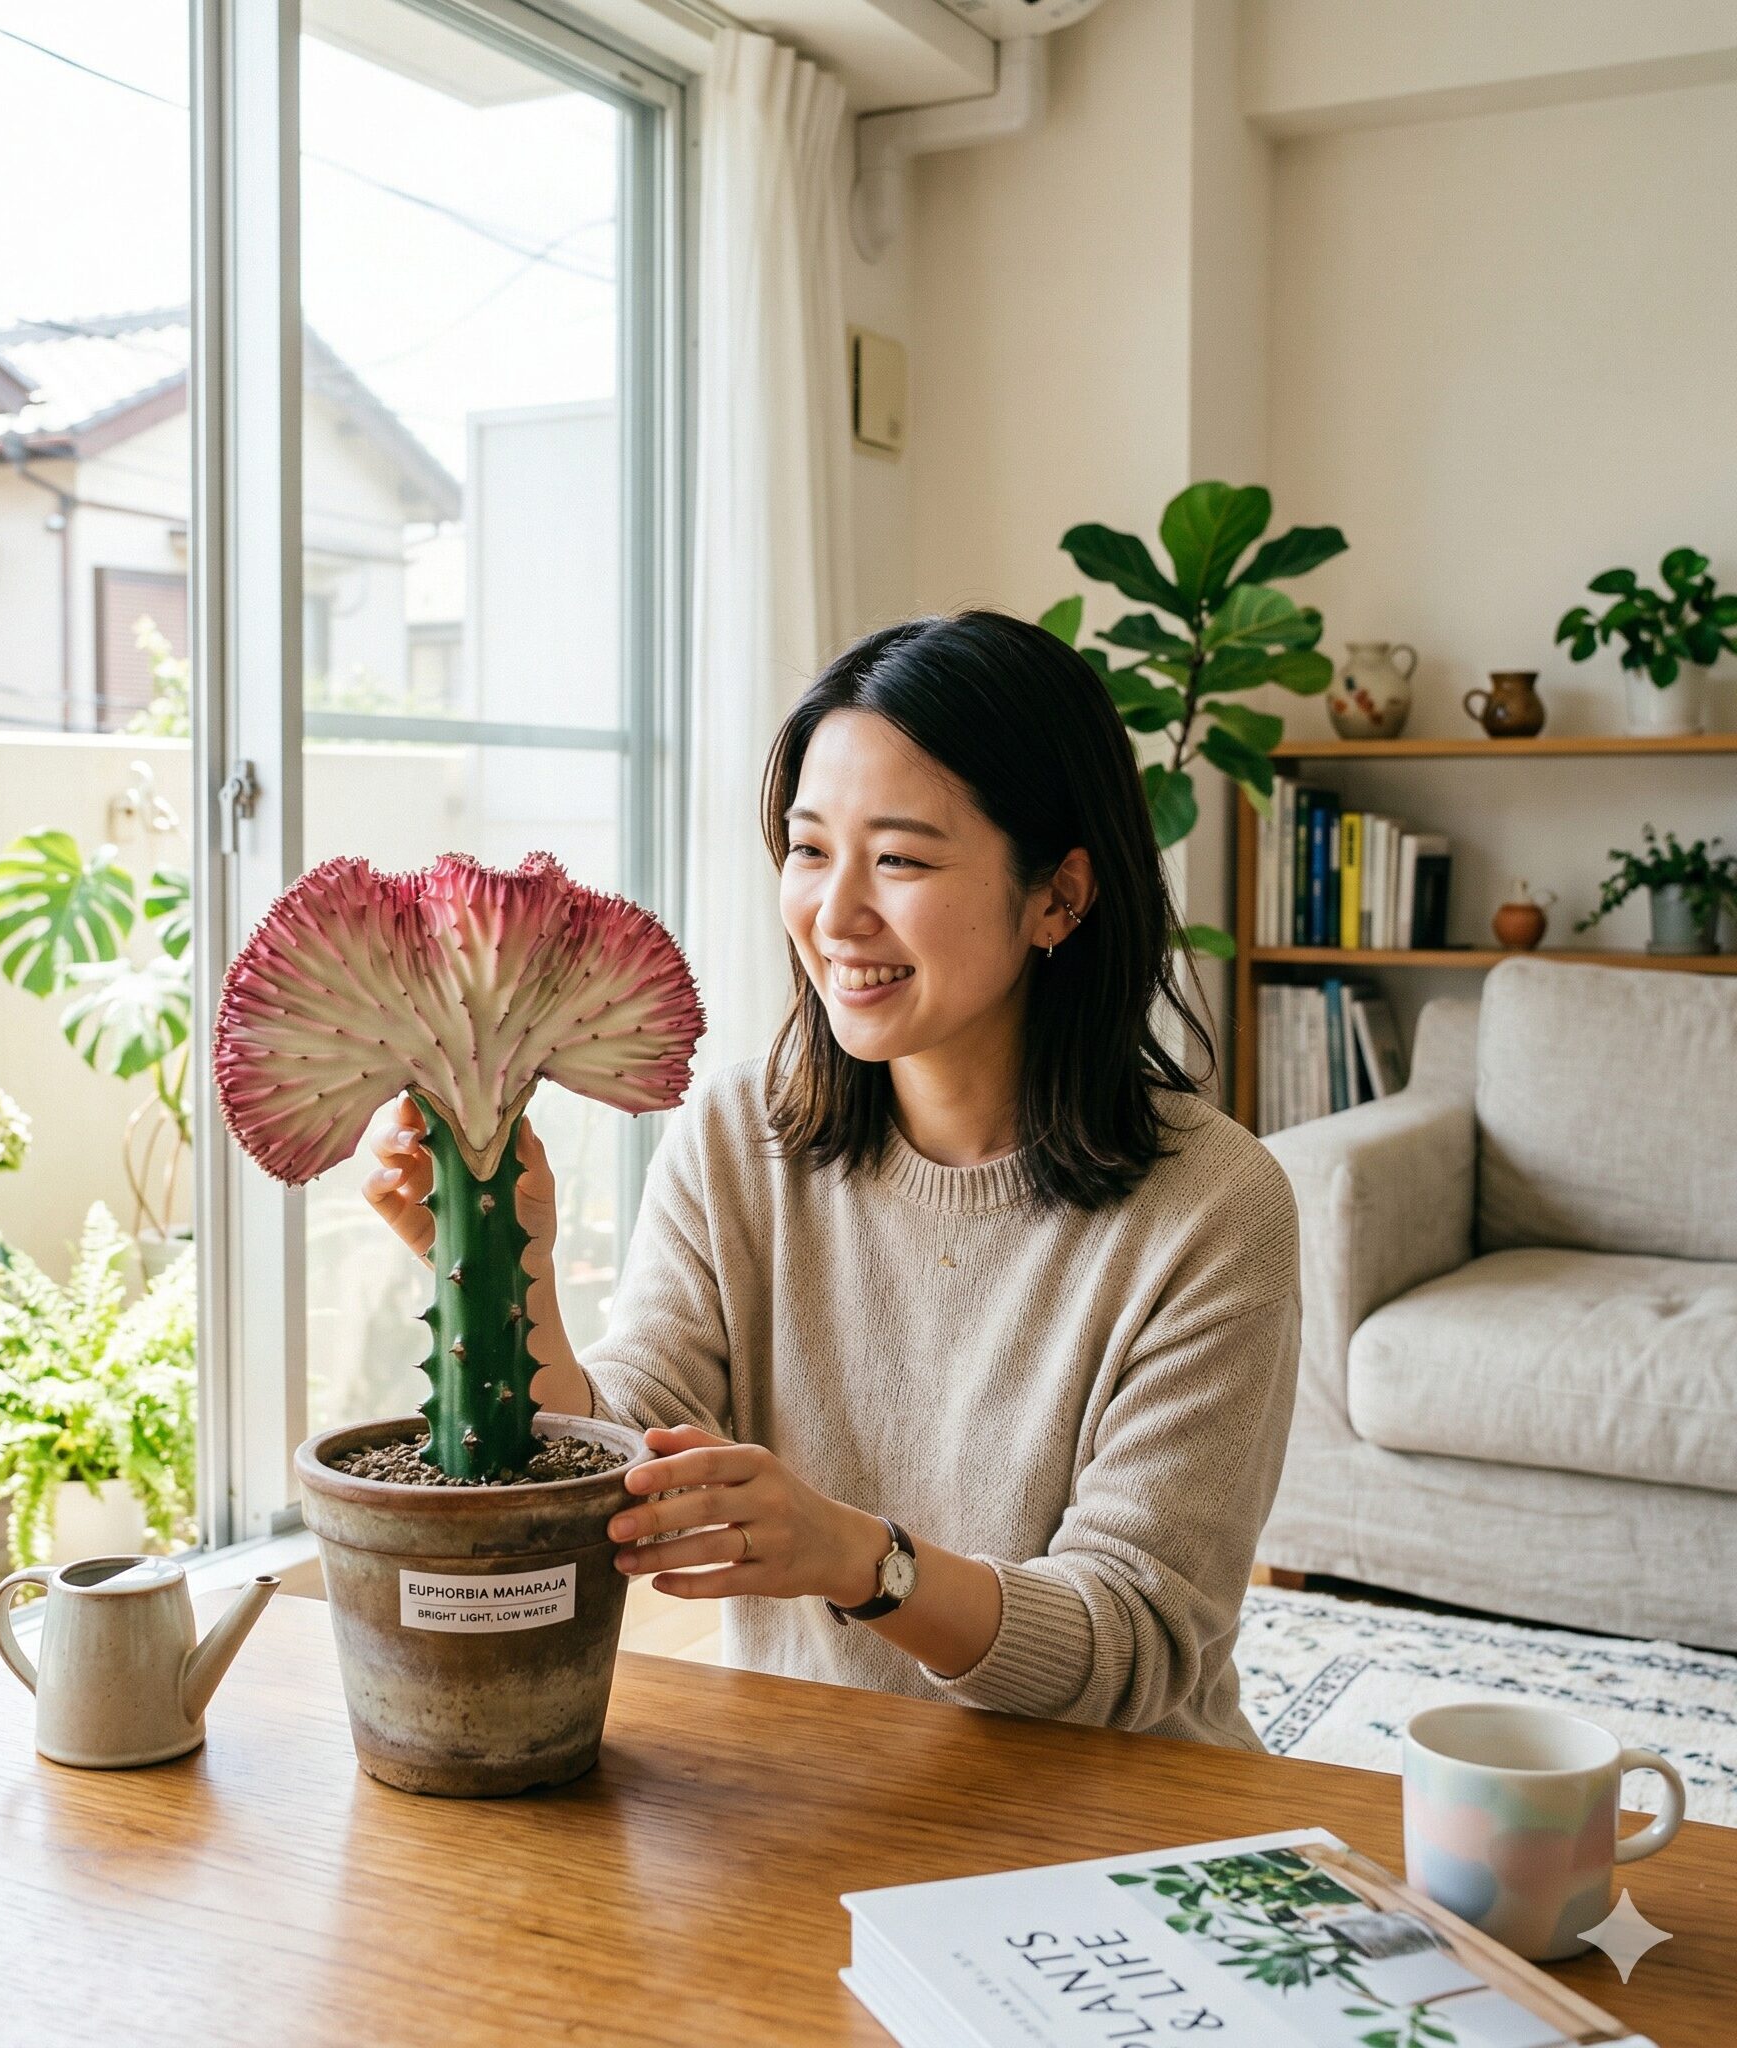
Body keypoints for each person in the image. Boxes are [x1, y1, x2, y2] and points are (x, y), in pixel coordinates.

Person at [363, 610, 1300, 1749]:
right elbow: (627, 1452)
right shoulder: (735, 1134)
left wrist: (861, 1558)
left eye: (899, 858)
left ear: (1059, 894)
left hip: (1111, 1806)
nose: (835, 914)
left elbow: (1134, 1642)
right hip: (814, 1782)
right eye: (810, 850)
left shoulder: (1214, 1208)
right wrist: (510, 1273)